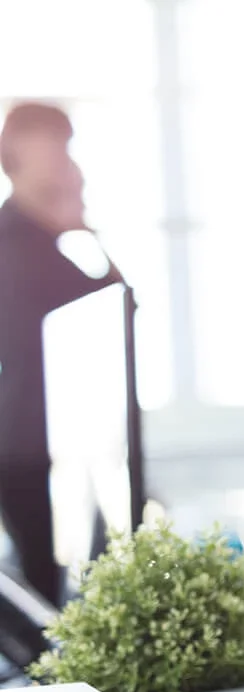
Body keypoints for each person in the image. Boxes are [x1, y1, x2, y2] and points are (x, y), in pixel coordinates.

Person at [0, 102, 118, 603]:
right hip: (21, 444)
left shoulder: (53, 241)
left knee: (61, 585)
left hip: (58, 442)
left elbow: (118, 307)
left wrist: (81, 224)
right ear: (14, 157)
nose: (62, 165)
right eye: (50, 150)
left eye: (64, 150)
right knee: (43, 590)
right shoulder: (11, 243)